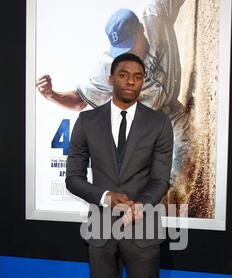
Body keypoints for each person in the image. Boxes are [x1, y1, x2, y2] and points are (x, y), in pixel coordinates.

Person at [65, 53, 173, 278]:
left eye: (138, 76)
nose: (131, 81)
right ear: (111, 78)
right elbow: (74, 178)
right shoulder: (86, 122)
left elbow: (160, 178)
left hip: (143, 226)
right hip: (100, 227)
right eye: (124, 74)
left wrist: (141, 204)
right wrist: (106, 196)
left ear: (143, 82)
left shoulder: (159, 123)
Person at [37, 1, 188, 184]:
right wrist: (52, 95)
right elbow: (79, 101)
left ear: (141, 29)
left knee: (186, 156)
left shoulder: (154, 15)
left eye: (131, 45)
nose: (128, 53)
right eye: (122, 49)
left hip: (173, 113)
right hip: (149, 128)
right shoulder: (108, 67)